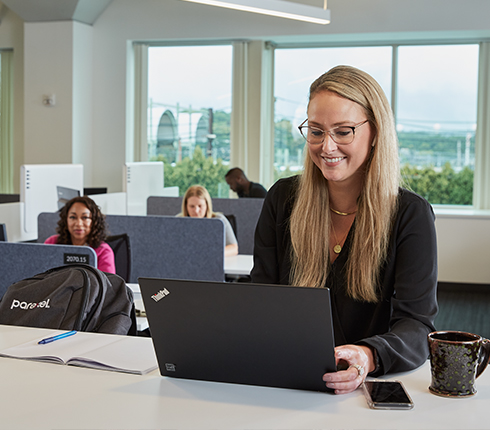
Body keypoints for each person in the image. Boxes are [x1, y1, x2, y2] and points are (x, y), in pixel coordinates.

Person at [251, 65, 438, 394]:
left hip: (369, 388)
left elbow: (417, 326)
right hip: (289, 384)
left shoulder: (410, 215)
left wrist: (367, 355)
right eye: (317, 131)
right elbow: (261, 299)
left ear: (375, 132)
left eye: (343, 131)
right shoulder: (282, 199)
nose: (327, 147)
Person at [45, 196, 116, 274]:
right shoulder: (52, 243)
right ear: (66, 220)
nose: (78, 223)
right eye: (73, 217)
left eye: (85, 217)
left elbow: (108, 284)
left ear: (94, 221)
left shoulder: (103, 251)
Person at [180, 185, 239, 257]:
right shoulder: (178, 220)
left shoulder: (219, 220)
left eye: (200, 206)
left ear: (207, 205)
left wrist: (213, 254)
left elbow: (233, 248)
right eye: (192, 206)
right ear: (186, 206)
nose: (196, 211)